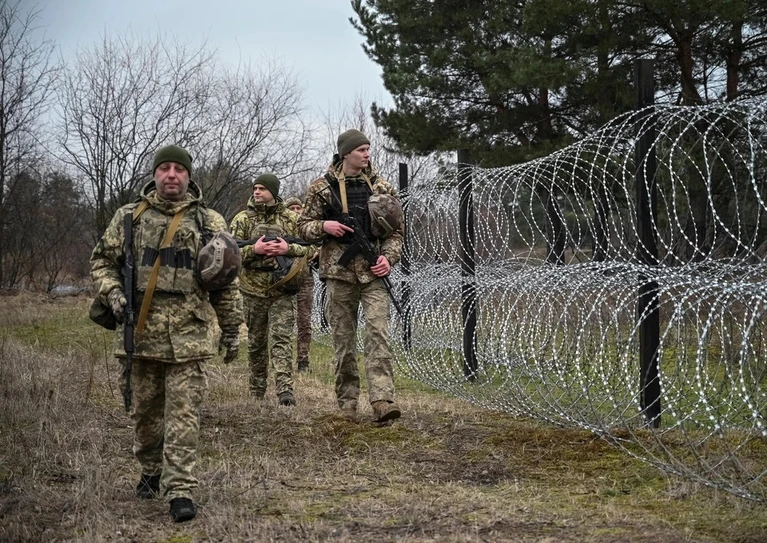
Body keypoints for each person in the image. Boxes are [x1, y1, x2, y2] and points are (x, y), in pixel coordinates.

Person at [90, 144, 243, 523]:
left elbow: (225, 282)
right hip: (141, 334)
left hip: (190, 336)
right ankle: (151, 469)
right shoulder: (129, 217)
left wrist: (231, 329)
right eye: (165, 168)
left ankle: (180, 490)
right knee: (144, 415)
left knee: (183, 416)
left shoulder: (209, 222)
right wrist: (112, 293)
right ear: (155, 174)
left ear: (189, 176)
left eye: (179, 169)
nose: (171, 175)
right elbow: (102, 262)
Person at [297, 129, 404, 423]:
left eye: (368, 149)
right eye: (361, 150)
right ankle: (347, 403)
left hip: (373, 274)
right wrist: (324, 227)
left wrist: (387, 259)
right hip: (339, 273)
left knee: (378, 334)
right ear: (346, 153)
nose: (367, 154)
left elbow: (396, 232)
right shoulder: (322, 188)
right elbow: (302, 226)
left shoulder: (382, 187)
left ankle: (382, 400)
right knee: (343, 341)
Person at [230, 174, 315, 406]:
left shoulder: (291, 219)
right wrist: (254, 250)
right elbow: (229, 253)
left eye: (262, 188)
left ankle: (285, 391)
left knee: (282, 340)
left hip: (282, 290)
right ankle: (257, 390)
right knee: (256, 343)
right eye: (255, 188)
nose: (257, 192)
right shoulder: (242, 219)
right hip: (252, 290)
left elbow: (311, 249)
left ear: (273, 192)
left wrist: (287, 249)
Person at [284, 196, 318, 373]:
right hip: (284, 280)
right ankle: (283, 360)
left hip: (305, 279)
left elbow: (318, 247)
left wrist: (314, 252)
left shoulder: (308, 230)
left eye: (299, 208)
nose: (296, 211)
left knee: (304, 322)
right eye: (292, 208)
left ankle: (303, 361)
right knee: (284, 322)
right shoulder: (282, 227)